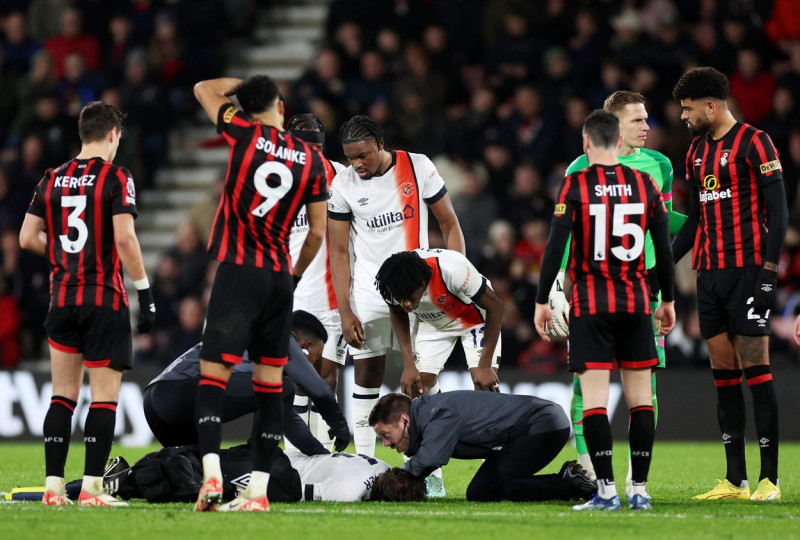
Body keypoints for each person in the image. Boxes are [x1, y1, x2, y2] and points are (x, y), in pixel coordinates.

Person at [192, 74, 330, 512]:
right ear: (282, 107)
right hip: (277, 279)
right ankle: (258, 494)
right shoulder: (312, 159)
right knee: (271, 386)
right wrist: (292, 276)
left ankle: (212, 475)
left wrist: (242, 86)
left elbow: (202, 90)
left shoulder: (242, 130)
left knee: (213, 376)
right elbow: (316, 234)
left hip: (238, 273)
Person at [534, 110, 676, 511]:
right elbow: (663, 249)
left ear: (586, 143)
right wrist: (667, 299)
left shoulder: (576, 183)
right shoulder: (646, 182)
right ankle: (640, 490)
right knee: (641, 401)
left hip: (591, 304)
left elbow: (554, 245)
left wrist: (542, 299)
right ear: (618, 141)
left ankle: (607, 491)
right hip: (636, 301)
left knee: (594, 401)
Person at [19, 101, 156, 507]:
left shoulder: (52, 177)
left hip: (61, 299)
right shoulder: (116, 176)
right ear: (113, 134)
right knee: (103, 398)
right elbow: (125, 239)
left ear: (83, 133)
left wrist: (64, 256)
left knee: (61, 395)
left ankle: (52, 488)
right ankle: (93, 489)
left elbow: (27, 237)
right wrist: (145, 292)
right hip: (103, 299)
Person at [672, 67, 788, 502]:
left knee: (757, 370)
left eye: (687, 109)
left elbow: (779, 214)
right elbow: (697, 220)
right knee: (724, 377)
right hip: (711, 274)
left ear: (711, 105)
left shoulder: (756, 143)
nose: (683, 117)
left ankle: (769, 481)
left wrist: (770, 272)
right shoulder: (696, 153)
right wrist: (665, 264)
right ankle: (735, 479)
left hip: (749, 271)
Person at [327, 115, 465, 458]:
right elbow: (339, 251)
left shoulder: (418, 167)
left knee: (422, 380)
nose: (355, 164)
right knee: (366, 375)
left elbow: (449, 223)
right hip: (369, 294)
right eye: (348, 157)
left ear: (379, 144)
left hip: (415, 292)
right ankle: (364, 462)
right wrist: (345, 309)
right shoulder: (343, 185)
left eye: (362, 156)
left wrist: (456, 273)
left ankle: (428, 467)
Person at [143, 310, 350, 455]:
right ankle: (255, 455)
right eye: (316, 357)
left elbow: (285, 418)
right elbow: (318, 389)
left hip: (155, 402)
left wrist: (318, 453)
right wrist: (339, 424)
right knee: (279, 387)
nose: (315, 365)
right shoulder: (277, 336)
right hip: (181, 393)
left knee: (190, 471)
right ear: (306, 345)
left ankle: (129, 477)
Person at [368, 392, 596, 503]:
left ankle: (569, 483)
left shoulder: (436, 414)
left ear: (405, 420)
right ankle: (568, 480)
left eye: (386, 435)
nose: (386, 444)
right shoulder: (429, 412)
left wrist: (388, 484)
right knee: (488, 489)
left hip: (541, 426)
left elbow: (427, 460)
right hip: (534, 426)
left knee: (485, 491)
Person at [286, 113, 347, 451]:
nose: (314, 154)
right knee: (295, 378)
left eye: (319, 147)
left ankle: (323, 454)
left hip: (333, 297)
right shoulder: (279, 180)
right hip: (293, 294)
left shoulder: (341, 176)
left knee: (327, 376)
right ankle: (296, 457)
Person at [374, 249, 503, 396]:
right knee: (417, 386)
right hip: (431, 323)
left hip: (473, 319)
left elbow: (496, 307)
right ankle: (440, 417)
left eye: (410, 296)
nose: (406, 304)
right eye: (401, 298)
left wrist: (485, 366)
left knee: (483, 384)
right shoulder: (391, 281)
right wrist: (409, 365)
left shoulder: (452, 269)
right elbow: (397, 312)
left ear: (422, 281)